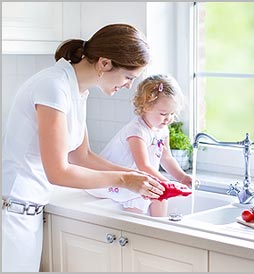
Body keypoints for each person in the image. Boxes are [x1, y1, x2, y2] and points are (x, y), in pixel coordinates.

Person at [2, 24, 165, 272]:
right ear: (105, 63)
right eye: (129, 77)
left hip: (27, 213)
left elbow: (82, 156)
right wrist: (124, 179)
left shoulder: (77, 90)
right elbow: (58, 172)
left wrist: (136, 176)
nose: (129, 86)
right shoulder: (53, 87)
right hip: (11, 215)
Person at [86, 74, 194, 217]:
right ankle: (137, 229)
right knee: (141, 197)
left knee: (160, 194)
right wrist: (168, 183)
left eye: (172, 113)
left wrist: (181, 177)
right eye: (163, 113)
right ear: (145, 106)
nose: (168, 119)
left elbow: (166, 158)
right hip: (114, 180)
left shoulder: (163, 129)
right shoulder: (136, 131)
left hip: (139, 177)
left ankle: (159, 229)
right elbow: (143, 165)